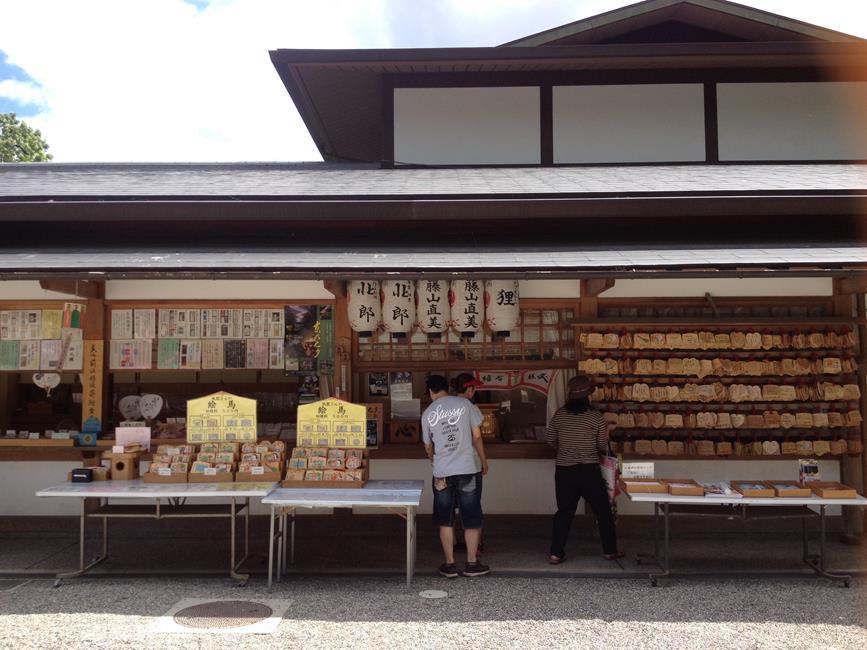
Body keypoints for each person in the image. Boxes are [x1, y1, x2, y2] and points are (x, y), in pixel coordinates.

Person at [546, 374, 623, 564]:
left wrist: (565, 448)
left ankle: (556, 553)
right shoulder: (595, 417)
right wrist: (607, 432)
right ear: (588, 396)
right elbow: (601, 445)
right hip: (588, 470)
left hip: (564, 471)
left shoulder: (560, 415)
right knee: (603, 511)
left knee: (564, 512)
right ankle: (610, 551)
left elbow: (549, 439)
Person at [422, 374, 490, 578]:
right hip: (467, 468)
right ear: (446, 388)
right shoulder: (465, 404)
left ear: (431, 392)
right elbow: (477, 436)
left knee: (445, 518)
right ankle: (471, 563)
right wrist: (484, 460)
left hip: (442, 472)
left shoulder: (428, 413)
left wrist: (433, 459)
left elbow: (428, 446)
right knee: (471, 516)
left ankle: (450, 564)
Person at [450, 373, 485, 553]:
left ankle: (453, 542)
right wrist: (484, 461)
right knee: (472, 506)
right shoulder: (471, 408)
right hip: (469, 465)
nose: (474, 391)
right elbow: (477, 437)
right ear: (469, 389)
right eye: (474, 388)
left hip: (447, 466)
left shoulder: (444, 407)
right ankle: (475, 545)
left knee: (451, 506)